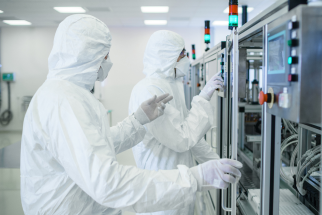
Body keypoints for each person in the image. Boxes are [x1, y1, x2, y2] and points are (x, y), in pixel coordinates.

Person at [20, 14, 242, 215]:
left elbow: (99, 143)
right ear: (86, 56)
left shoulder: (68, 94)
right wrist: (194, 177)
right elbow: (106, 182)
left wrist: (137, 121)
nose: (108, 62)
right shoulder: (63, 100)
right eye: (105, 55)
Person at [128, 30, 226, 215]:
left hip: (177, 182)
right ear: (167, 56)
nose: (186, 59)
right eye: (182, 54)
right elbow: (182, 139)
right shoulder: (149, 89)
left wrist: (217, 163)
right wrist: (203, 98)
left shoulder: (170, 85)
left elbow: (191, 136)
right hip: (162, 186)